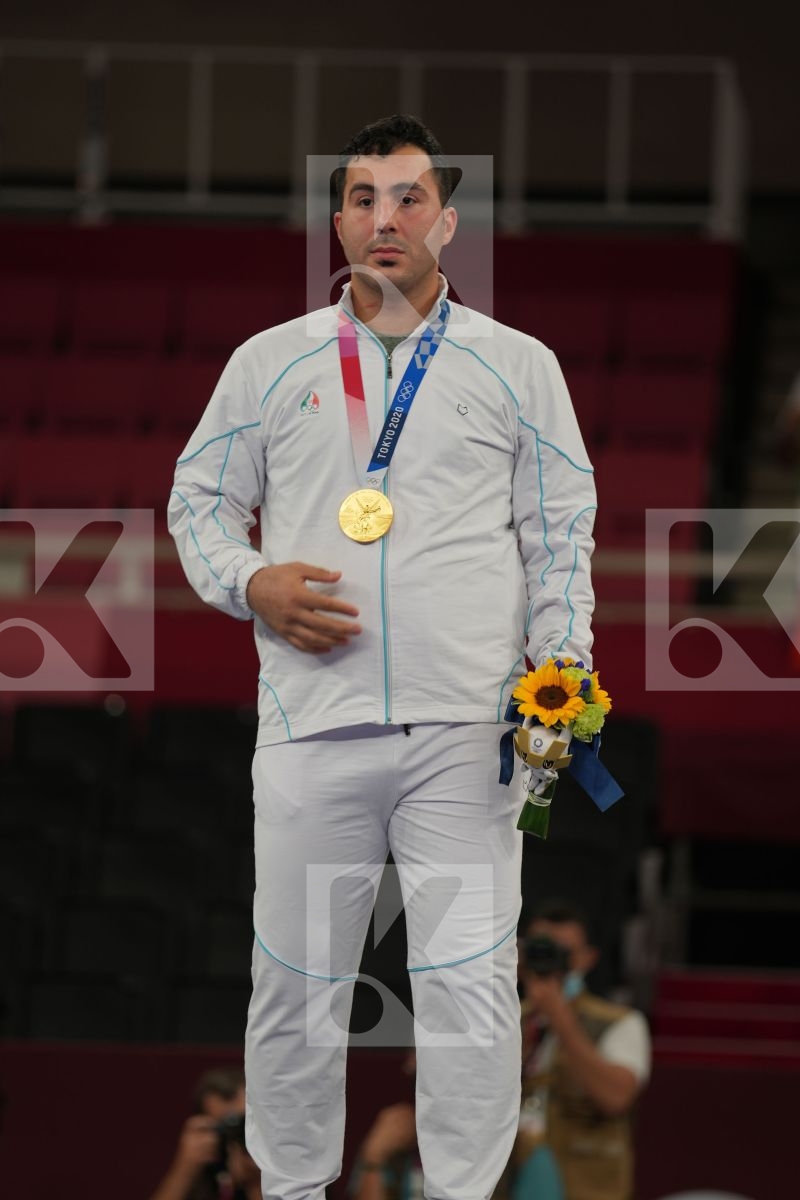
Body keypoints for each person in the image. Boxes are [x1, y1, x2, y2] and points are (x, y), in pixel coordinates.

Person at [168, 113, 597, 1200]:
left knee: (465, 988)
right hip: (312, 723)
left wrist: (560, 673)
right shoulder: (269, 362)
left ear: (446, 222)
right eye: (362, 197)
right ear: (338, 218)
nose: (384, 217)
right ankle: (295, 1191)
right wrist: (247, 579)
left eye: (407, 198)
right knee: (294, 984)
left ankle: (459, 1195)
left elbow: (559, 533)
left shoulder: (516, 366)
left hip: (466, 734)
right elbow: (197, 504)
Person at [516, 902, 651, 1200]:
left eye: (563, 954)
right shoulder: (507, 1021)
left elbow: (616, 1097)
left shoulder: (621, 1022)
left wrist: (561, 1021)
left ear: (588, 958)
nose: (551, 964)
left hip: (586, 1187)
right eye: (541, 951)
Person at [150, 1067, 262, 1200]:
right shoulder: (207, 1170)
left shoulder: (281, 1165)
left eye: (243, 1122)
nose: (237, 1135)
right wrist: (184, 1170)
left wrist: (256, 1183)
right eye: (226, 1126)